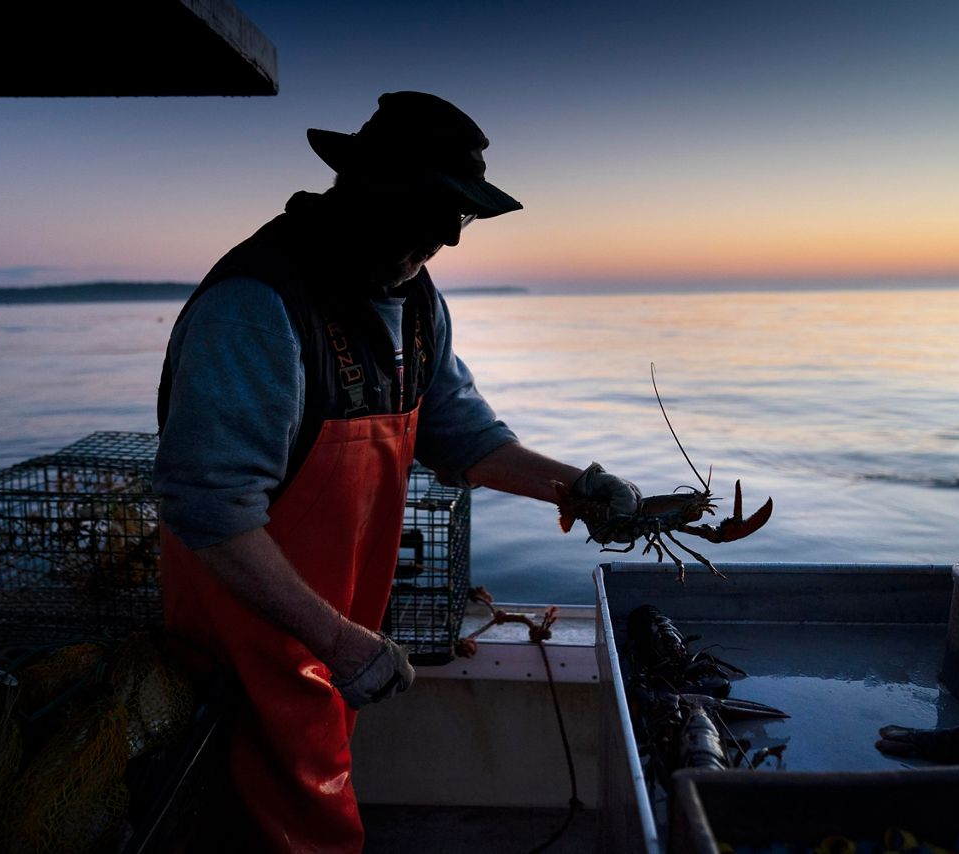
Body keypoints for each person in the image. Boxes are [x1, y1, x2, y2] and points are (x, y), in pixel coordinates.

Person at [154, 91, 639, 852]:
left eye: (463, 216)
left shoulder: (412, 300)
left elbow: (465, 438)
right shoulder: (256, 307)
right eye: (435, 206)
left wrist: (579, 486)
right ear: (365, 183)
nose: (449, 235)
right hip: (242, 655)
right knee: (257, 827)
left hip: (330, 643)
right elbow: (210, 512)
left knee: (316, 810)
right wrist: (341, 643)